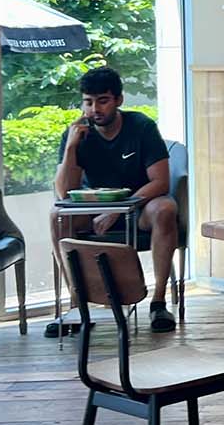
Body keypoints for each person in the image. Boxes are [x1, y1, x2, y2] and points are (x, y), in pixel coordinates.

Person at [54, 66, 182, 332]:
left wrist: (118, 211)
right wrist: (70, 148)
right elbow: (64, 193)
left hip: (139, 206)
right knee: (57, 217)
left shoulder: (141, 126)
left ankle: (158, 302)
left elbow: (160, 182)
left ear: (118, 100)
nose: (94, 109)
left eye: (102, 101)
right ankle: (77, 304)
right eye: (88, 102)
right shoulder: (77, 133)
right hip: (92, 208)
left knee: (166, 209)